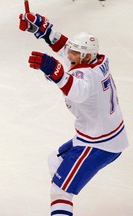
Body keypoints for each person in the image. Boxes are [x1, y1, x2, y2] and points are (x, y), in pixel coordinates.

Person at [19, 12, 129, 215]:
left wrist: (56, 73)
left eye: (75, 53)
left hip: (99, 143)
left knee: (59, 191)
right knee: (55, 160)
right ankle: (68, 187)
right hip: (102, 135)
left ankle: (63, 198)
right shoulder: (95, 61)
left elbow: (77, 91)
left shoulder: (87, 77)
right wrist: (43, 29)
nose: (69, 55)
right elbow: (65, 48)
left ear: (86, 56)